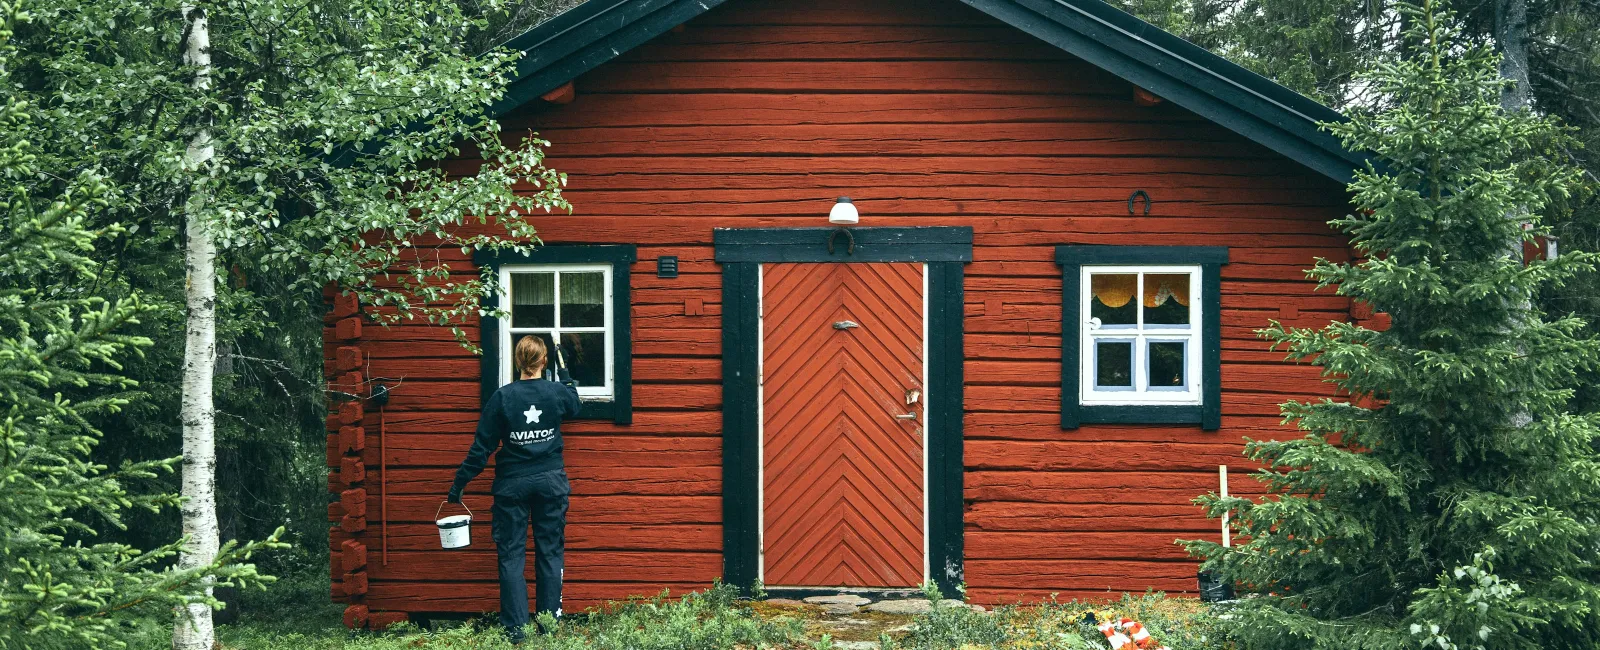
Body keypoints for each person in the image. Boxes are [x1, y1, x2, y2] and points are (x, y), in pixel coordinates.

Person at [447, 335, 580, 644]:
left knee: (511, 556)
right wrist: (565, 375)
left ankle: (516, 631)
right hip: (550, 483)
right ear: (542, 361)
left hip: (512, 486)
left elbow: (481, 448)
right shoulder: (555, 392)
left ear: (518, 361)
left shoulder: (502, 398)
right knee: (550, 552)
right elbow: (574, 404)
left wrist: (459, 485)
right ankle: (548, 625)